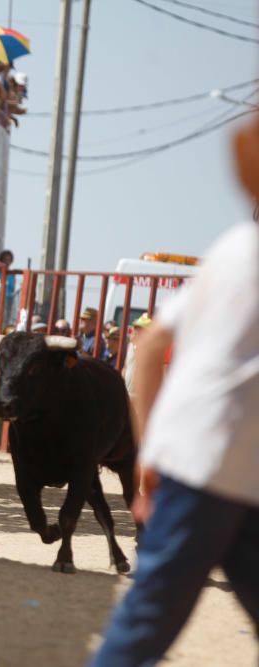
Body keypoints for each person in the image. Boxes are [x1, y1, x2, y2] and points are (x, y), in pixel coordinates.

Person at [89, 211, 259, 665]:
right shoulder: (243, 255)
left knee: (149, 616)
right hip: (207, 473)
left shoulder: (235, 252)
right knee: (149, 618)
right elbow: (151, 347)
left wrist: (153, 453)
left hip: (226, 473)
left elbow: (150, 346)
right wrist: (153, 454)